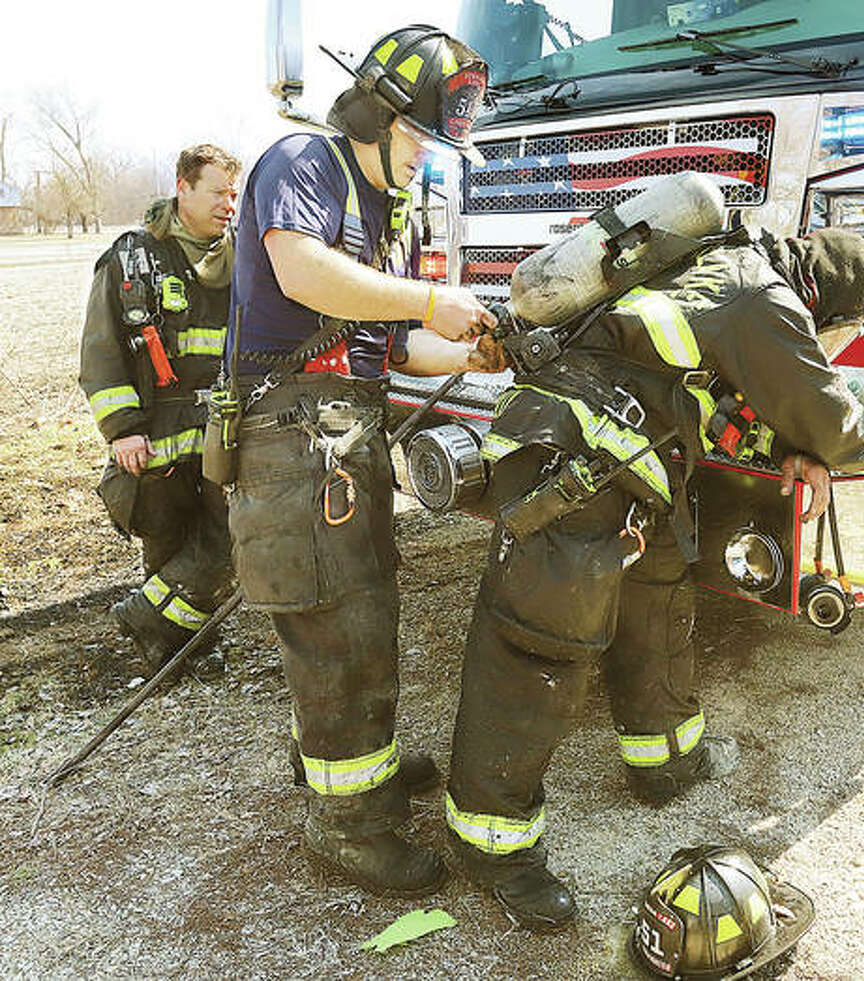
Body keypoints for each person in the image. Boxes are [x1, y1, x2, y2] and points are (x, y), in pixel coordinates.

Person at [445, 222, 864, 930]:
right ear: (831, 309)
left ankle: (667, 758)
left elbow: (734, 398)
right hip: (569, 461)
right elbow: (828, 415)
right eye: (844, 336)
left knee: (658, 597)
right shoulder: (761, 297)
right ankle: (490, 841)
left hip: (630, 459)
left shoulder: (719, 269)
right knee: (539, 646)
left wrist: (789, 450)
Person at [224, 25, 501, 899]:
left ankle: (349, 765)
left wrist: (467, 352)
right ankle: (349, 828)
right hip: (294, 441)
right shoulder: (303, 161)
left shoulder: (385, 211)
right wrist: (430, 296)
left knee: (360, 612)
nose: (429, 160)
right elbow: (303, 274)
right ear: (377, 117)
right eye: (422, 139)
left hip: (343, 434)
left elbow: (383, 342)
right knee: (339, 629)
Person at [80, 143, 242, 677]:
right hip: (158, 435)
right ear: (184, 188)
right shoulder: (133, 258)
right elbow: (101, 351)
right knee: (168, 542)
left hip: (223, 429)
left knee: (230, 539)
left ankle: (148, 615)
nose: (229, 203)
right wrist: (123, 428)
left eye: (234, 193)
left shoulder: (243, 257)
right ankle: (174, 650)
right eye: (218, 191)